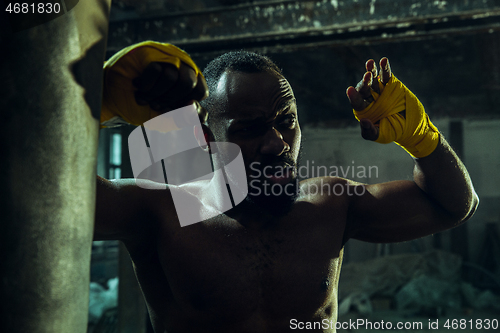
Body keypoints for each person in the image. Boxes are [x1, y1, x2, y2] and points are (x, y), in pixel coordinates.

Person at [95, 42, 478, 333]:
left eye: (287, 121)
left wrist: (422, 137)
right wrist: (96, 107)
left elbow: (455, 206)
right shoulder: (158, 213)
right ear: (205, 137)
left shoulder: (331, 207)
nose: (277, 143)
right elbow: (43, 208)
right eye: (249, 128)